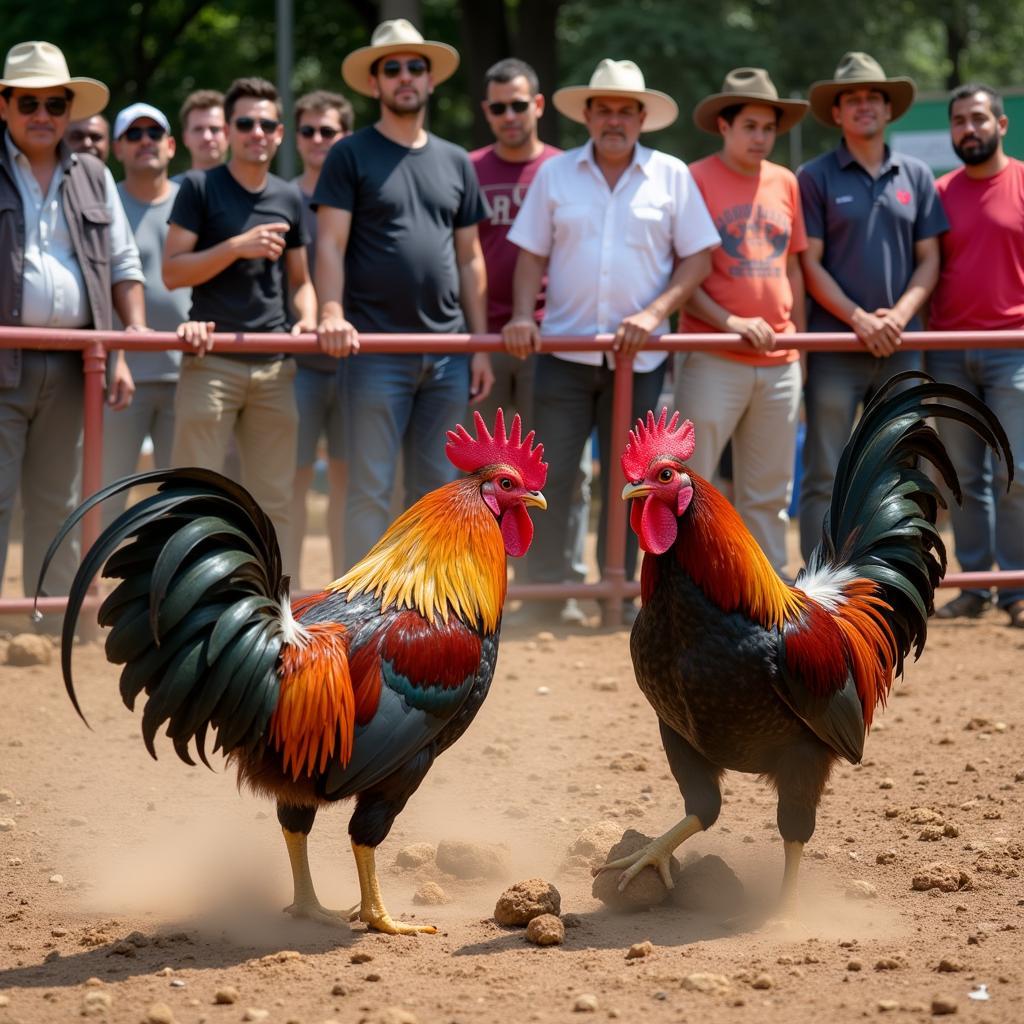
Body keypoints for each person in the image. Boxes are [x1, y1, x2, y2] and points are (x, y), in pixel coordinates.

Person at [505, 59, 719, 623]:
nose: (615, 120)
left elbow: (698, 258)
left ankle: (625, 598)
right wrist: (524, 315)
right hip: (562, 351)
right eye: (605, 109)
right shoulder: (555, 175)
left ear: (642, 117)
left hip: (639, 356)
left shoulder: (672, 175)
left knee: (638, 483)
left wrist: (653, 313)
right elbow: (530, 256)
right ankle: (547, 595)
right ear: (588, 115)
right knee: (549, 477)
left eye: (626, 110)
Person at [315, 19, 493, 567]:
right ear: (375, 84)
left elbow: (469, 256)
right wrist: (330, 311)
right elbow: (329, 242)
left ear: (430, 80)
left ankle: (426, 610)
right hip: (373, 350)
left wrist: (479, 343)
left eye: (415, 67)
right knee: (368, 488)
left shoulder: (456, 159)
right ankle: (363, 609)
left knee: (440, 491)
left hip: (447, 354)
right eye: (391, 68)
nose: (405, 76)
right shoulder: (349, 154)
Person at [0, 41, 144, 607]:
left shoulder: (95, 175)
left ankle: (43, 615)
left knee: (57, 497)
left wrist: (125, 348)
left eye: (55, 104)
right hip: (3, 359)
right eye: (29, 102)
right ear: (5, 105)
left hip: (75, 363)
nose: (43, 115)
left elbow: (124, 263)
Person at [797, 52, 947, 562]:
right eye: (853, 99)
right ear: (837, 113)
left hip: (902, 348)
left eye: (873, 98)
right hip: (835, 347)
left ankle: (896, 577)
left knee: (904, 466)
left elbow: (930, 259)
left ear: (888, 110)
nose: (864, 106)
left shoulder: (917, 175)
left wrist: (899, 315)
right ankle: (818, 586)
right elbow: (810, 264)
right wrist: (859, 319)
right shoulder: (813, 177)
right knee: (825, 470)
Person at [163, 77, 316, 566]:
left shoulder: (289, 197)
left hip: (275, 368)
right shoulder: (200, 187)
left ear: (279, 131)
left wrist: (308, 318)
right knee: (191, 496)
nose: (257, 131)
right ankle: (182, 608)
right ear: (229, 130)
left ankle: (276, 612)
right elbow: (172, 271)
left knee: (275, 503)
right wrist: (236, 247)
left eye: (267, 123)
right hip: (211, 364)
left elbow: (301, 281)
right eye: (246, 122)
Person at [675, 69, 809, 577]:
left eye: (768, 127)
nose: (760, 137)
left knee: (770, 493)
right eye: (750, 125)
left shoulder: (786, 181)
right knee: (691, 484)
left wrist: (797, 334)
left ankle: (769, 596)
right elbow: (685, 271)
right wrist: (730, 320)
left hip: (779, 360)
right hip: (713, 354)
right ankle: (685, 590)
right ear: (724, 126)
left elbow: (792, 264)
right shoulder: (694, 178)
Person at [470, 57, 588, 624]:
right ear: (486, 111)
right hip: (487, 339)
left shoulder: (566, 168)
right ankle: (485, 593)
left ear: (538, 105)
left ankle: (562, 585)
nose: (510, 115)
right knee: (487, 478)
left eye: (520, 104)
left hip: (554, 338)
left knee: (558, 470)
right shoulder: (468, 168)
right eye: (499, 106)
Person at [925, 84, 1024, 628]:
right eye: (959, 120)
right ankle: (976, 583)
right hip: (948, 351)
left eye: (979, 118)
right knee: (963, 478)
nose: (969, 128)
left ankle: (1015, 585)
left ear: (1001, 125)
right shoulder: (939, 192)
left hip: (1014, 351)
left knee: (1017, 473)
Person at [104, 102, 190, 518]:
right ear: (117, 148)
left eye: (153, 134)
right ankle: (91, 587)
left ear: (171, 145)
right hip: (119, 381)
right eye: (133, 135)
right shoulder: (101, 205)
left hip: (187, 374)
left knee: (183, 505)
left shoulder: (194, 202)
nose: (144, 143)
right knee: (104, 498)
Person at [288, 89, 353, 584]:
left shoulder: (361, 196)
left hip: (354, 362)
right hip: (296, 363)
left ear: (344, 136)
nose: (317, 139)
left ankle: (343, 590)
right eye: (308, 130)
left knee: (348, 486)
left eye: (327, 131)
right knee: (291, 481)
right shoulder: (283, 196)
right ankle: (283, 589)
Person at [178, 89, 225, 172]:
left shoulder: (250, 184)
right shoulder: (174, 185)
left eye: (215, 129)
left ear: (229, 134)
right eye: (198, 129)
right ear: (185, 138)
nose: (207, 137)